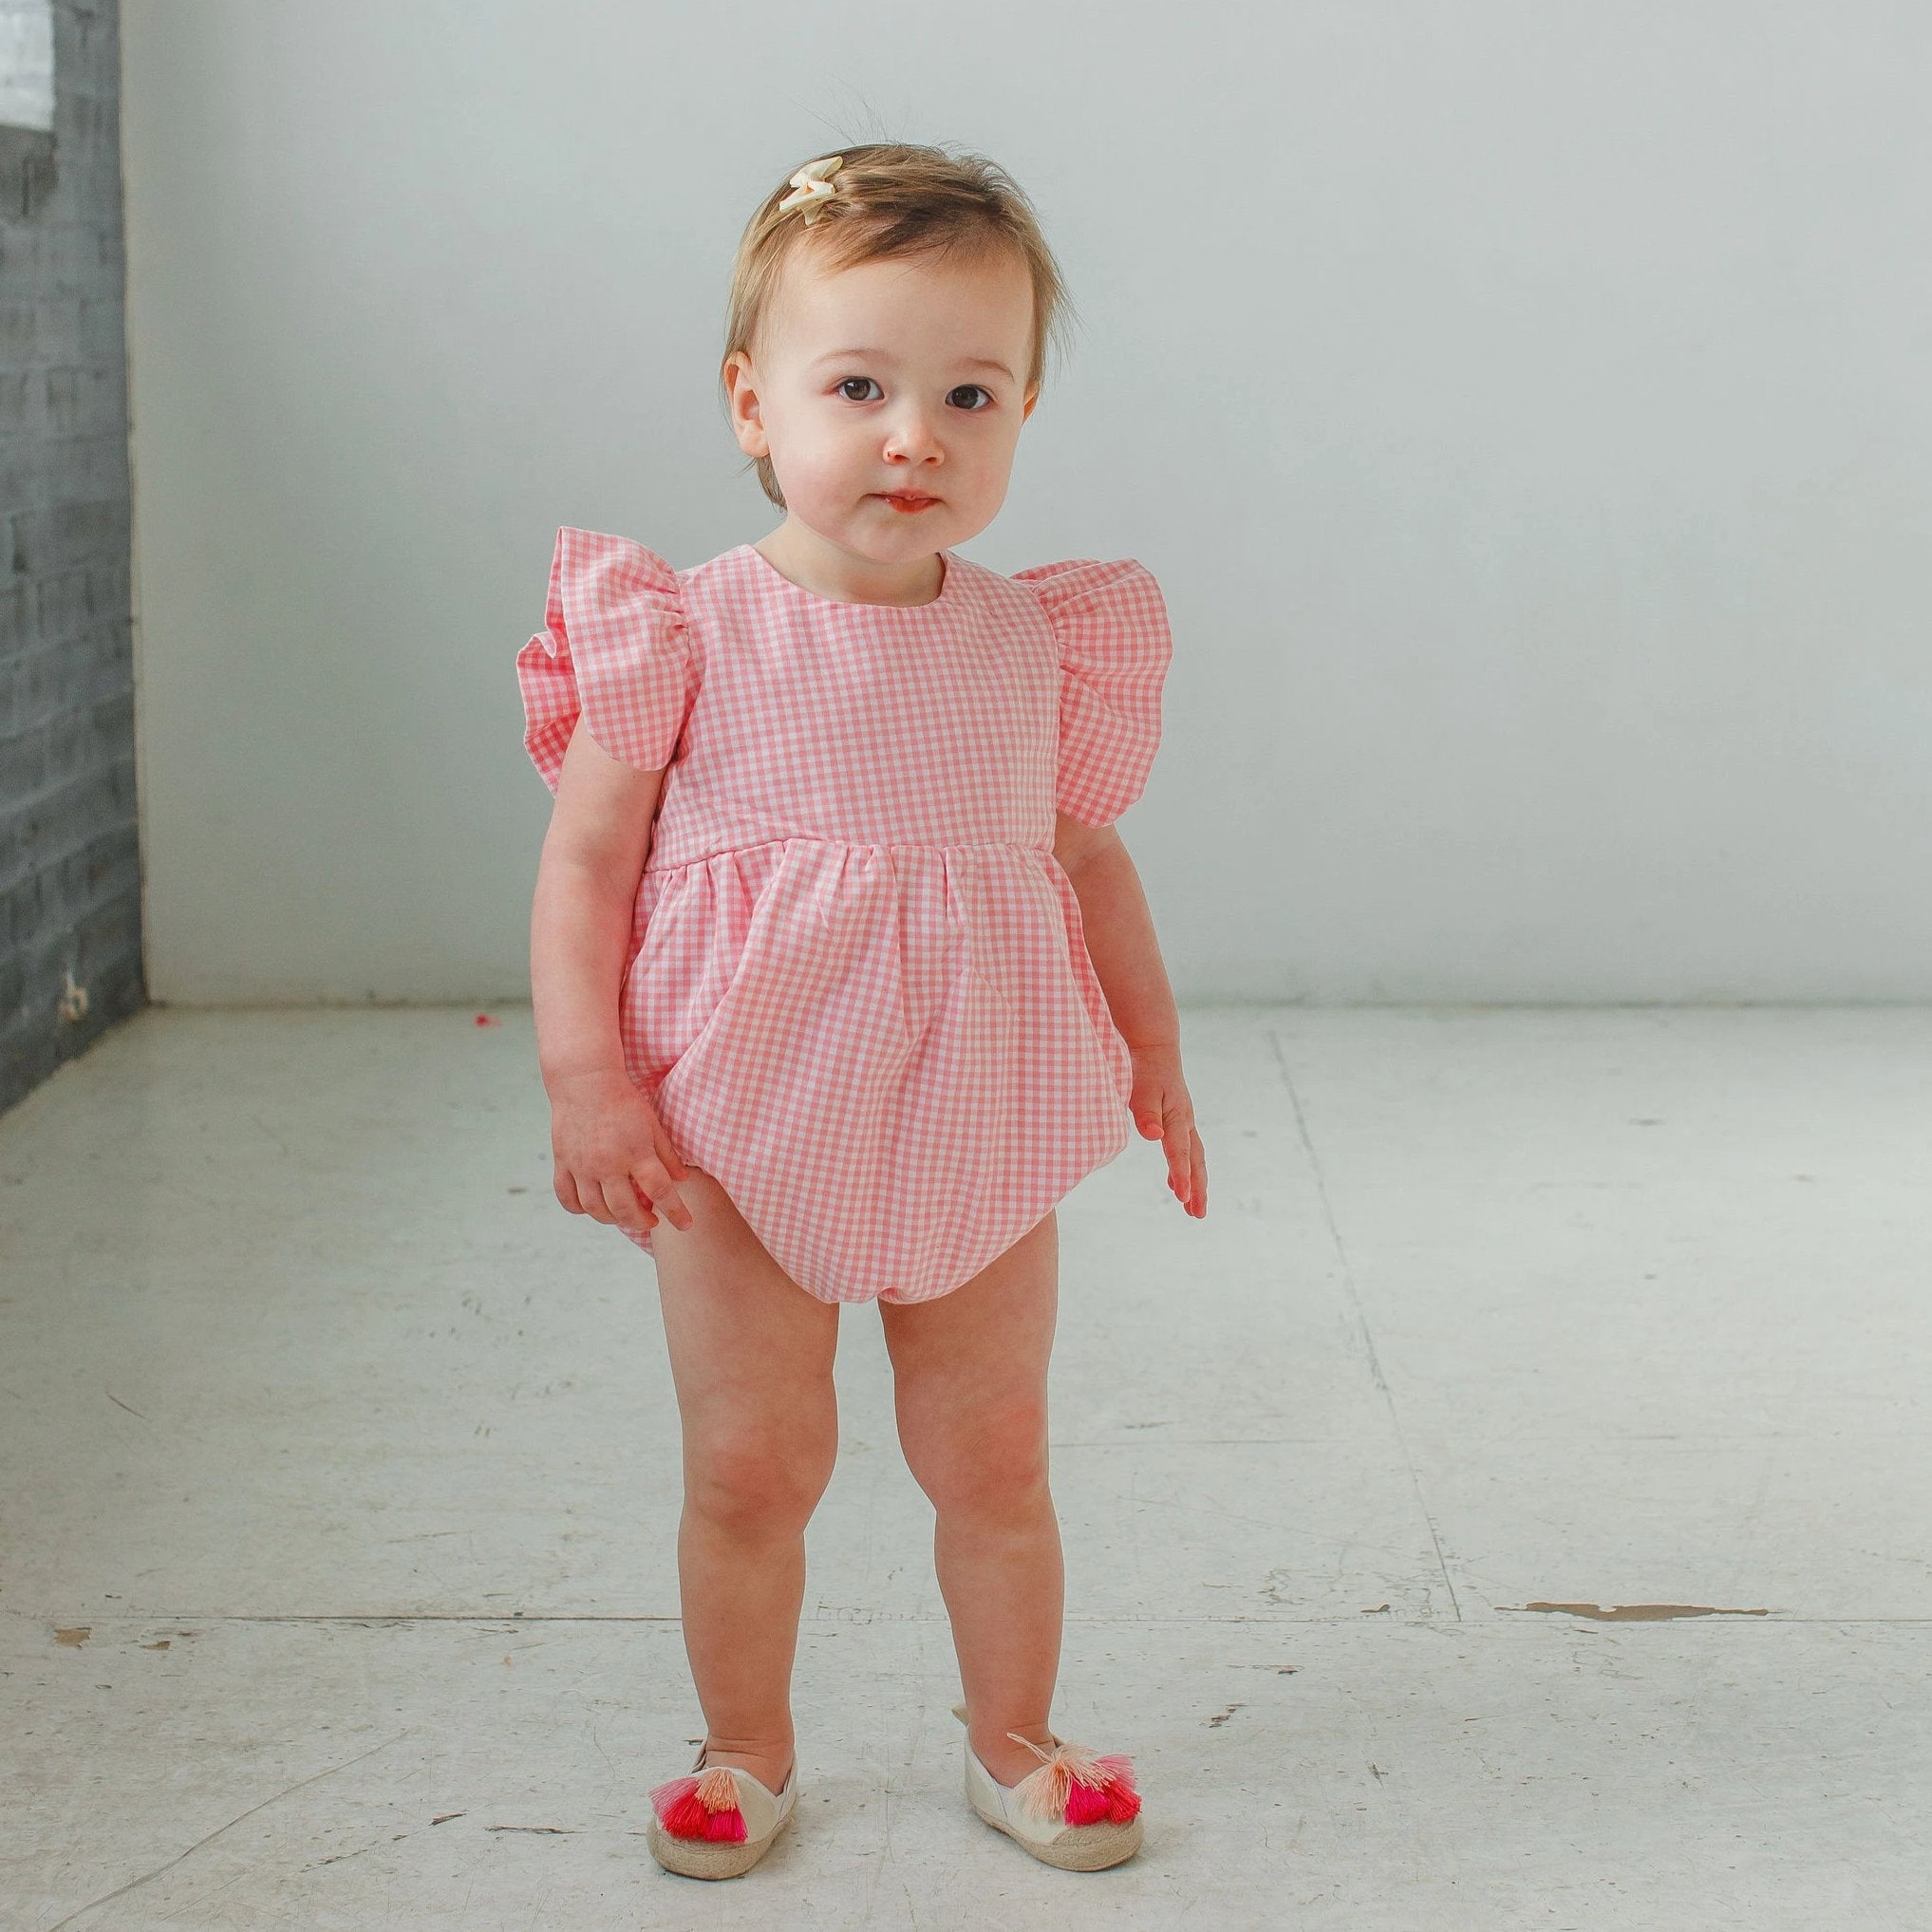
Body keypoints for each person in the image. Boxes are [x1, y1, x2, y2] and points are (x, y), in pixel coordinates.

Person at [516, 141, 1208, 1880]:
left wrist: (1158, 1062)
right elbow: (588, 867)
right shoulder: (685, 630)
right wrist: (588, 1080)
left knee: (993, 1456)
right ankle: (742, 1748)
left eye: (970, 393)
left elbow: (1090, 867)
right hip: (735, 1120)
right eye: (860, 386)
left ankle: (1016, 1742)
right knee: (754, 1463)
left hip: (976, 1098)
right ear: (755, 404)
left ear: (1026, 411)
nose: (917, 434)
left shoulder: (1030, 646)